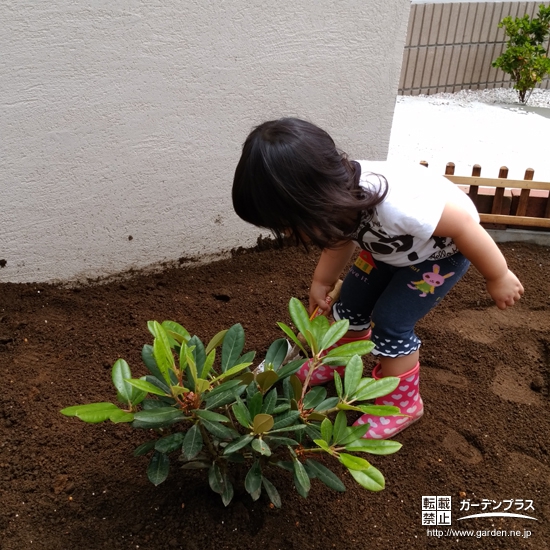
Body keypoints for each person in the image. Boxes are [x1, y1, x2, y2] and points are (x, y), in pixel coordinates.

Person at [232, 117, 524, 440]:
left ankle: (403, 403)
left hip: (439, 256)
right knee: (351, 302)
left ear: (312, 201)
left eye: (288, 225)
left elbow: (465, 226)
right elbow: (339, 237)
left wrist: (498, 275)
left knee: (391, 320)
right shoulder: (338, 201)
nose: (287, 233)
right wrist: (321, 282)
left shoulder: (398, 206)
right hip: (389, 249)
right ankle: (343, 361)